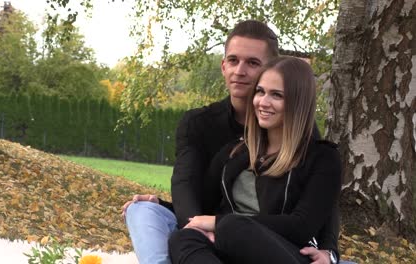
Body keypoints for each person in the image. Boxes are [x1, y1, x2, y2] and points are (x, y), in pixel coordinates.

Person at [122, 20, 340, 264]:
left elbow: (320, 203)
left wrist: (330, 252)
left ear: (273, 69)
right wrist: (163, 206)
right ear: (223, 66)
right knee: (166, 227)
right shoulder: (227, 144)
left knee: (230, 227)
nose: (240, 71)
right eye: (233, 61)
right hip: (223, 238)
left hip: (278, 245)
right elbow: (192, 190)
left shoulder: (311, 143)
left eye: (253, 63)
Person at [168, 56, 342, 264]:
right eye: (260, 92)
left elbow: (302, 226)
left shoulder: (321, 157)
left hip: (285, 253)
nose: (263, 102)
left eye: (276, 95)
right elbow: (202, 206)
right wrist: (156, 204)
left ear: (298, 102)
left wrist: (330, 254)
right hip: (230, 248)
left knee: (231, 227)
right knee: (184, 237)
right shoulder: (233, 153)